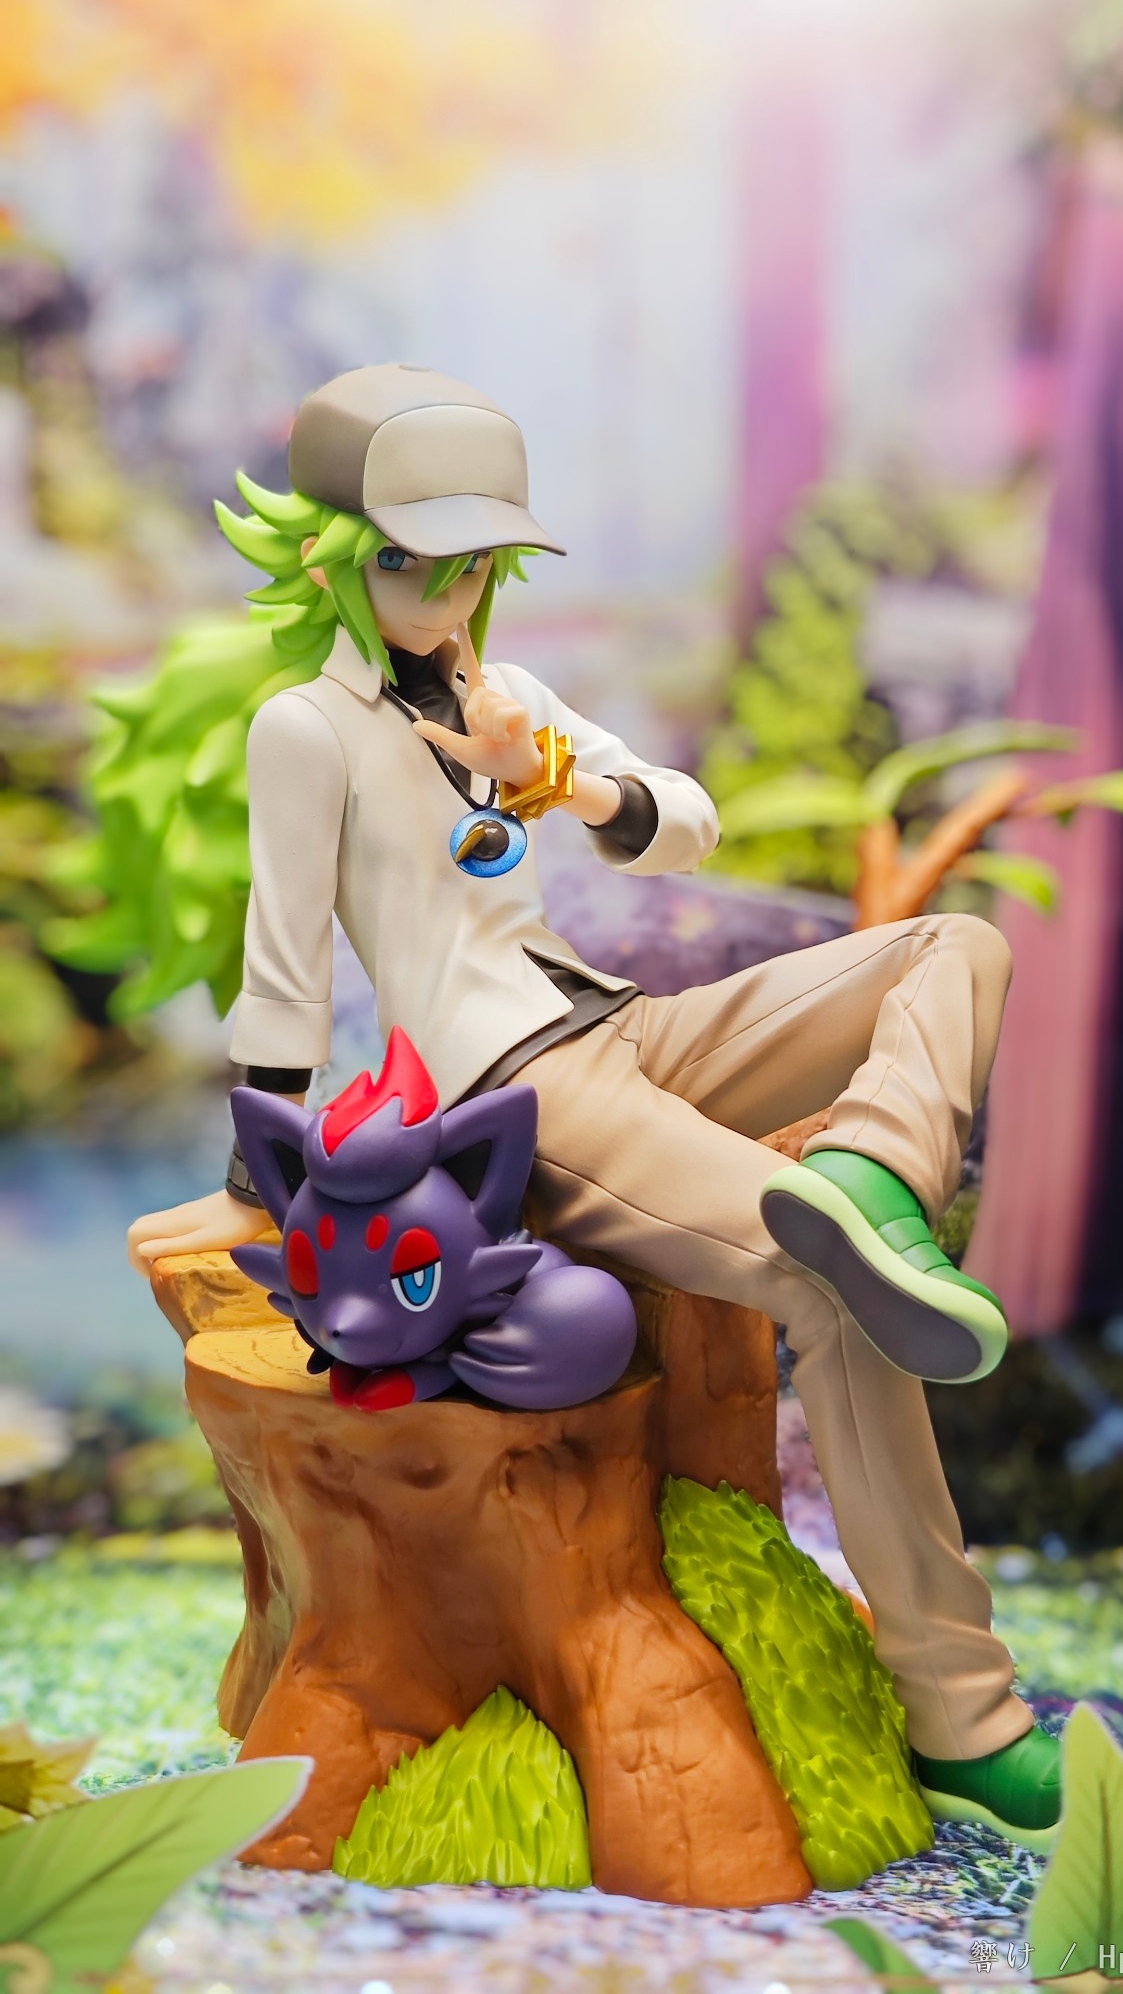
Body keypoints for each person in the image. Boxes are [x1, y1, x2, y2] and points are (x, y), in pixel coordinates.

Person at [122, 362, 1061, 1849]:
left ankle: (880, 1170)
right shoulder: (308, 729)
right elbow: (284, 966)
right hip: (516, 1088)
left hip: (623, 1022)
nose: (447, 591)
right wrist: (265, 1173)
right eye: (410, 560)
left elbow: (687, 823)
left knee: (954, 948)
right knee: (830, 1295)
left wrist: (553, 773)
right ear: (332, 559)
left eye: (473, 562)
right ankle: (962, 1711)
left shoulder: (507, 697)